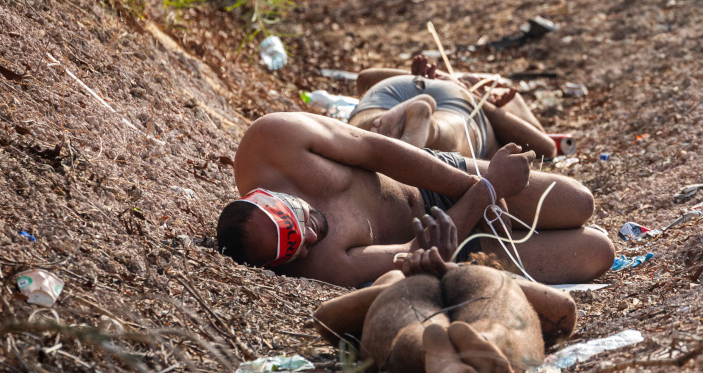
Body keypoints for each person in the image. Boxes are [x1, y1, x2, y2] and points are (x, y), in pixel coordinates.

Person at [214, 111, 613, 287]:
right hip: (452, 241)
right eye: (297, 249)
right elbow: (414, 250)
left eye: (300, 225)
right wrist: (487, 193)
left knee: (579, 201)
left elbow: (377, 150)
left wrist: (471, 184)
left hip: (432, 179)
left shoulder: (272, 141)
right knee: (597, 250)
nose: (313, 239)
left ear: (269, 195)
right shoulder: (319, 265)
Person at [312, 246, 577, 373]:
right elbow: (563, 307)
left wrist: (405, 276)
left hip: (405, 288)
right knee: (498, 325)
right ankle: (490, 340)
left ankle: (425, 353)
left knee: (416, 330)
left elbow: (325, 318)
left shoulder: (392, 277)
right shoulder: (490, 274)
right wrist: (457, 270)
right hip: (480, 278)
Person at [349, 55, 557, 161]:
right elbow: (545, 148)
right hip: (456, 101)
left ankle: (379, 127)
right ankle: (426, 128)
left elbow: (365, 79)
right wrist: (474, 97)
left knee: (370, 120)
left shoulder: (489, 86)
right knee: (445, 130)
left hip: (399, 89)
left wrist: (417, 79)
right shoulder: (498, 89)